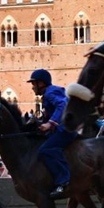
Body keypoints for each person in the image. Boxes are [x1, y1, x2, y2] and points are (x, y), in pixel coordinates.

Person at [26, 68, 77, 199]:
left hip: (65, 129)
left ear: (41, 83)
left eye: (33, 84)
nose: (32, 87)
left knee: (46, 149)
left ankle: (63, 182)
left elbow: (62, 105)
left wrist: (50, 123)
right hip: (61, 129)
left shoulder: (50, 93)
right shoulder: (48, 94)